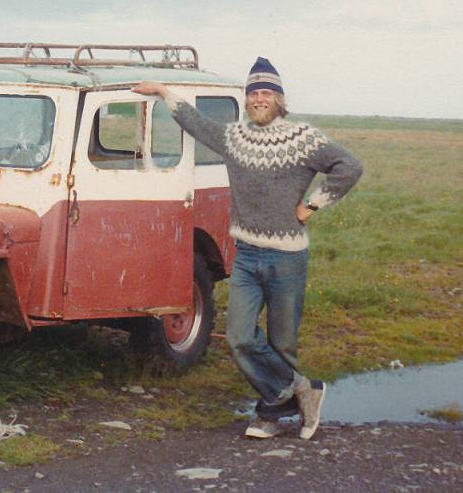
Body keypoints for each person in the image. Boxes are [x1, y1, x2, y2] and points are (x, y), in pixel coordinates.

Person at [133, 57, 362, 440]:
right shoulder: (233, 138)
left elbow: (348, 166)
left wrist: (312, 205)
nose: (259, 99)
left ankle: (270, 416)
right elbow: (195, 122)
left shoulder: (302, 137)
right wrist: (162, 92)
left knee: (281, 343)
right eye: (253, 92)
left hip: (287, 257)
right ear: (246, 98)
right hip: (247, 256)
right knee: (240, 338)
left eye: (266, 92)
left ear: (279, 99)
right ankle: (305, 390)